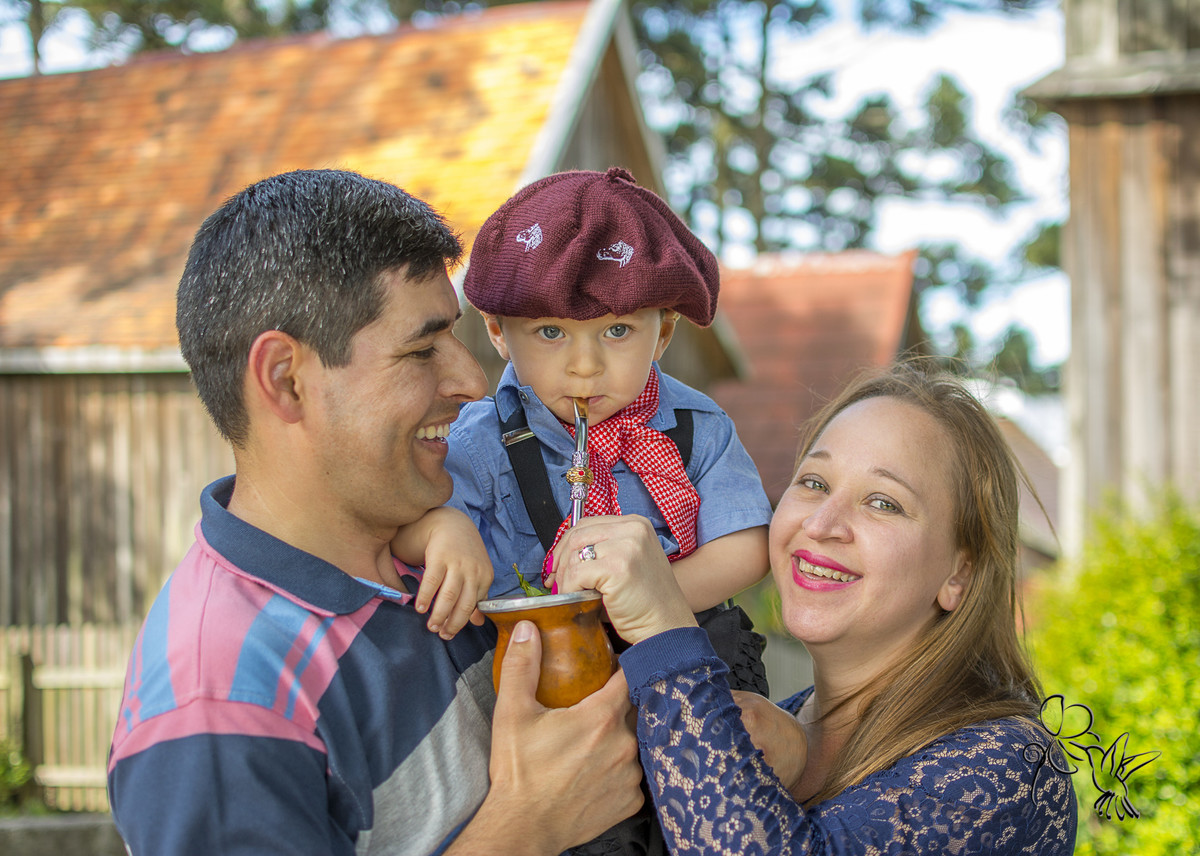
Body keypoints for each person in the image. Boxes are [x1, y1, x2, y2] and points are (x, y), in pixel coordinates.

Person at [106, 169, 644, 855]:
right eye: (422, 350)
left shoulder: (441, 542)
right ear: (286, 379)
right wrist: (524, 831)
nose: (472, 382)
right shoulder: (219, 701)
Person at [549, 361, 1079, 853]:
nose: (821, 523)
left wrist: (663, 629)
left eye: (883, 502)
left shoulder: (1013, 770)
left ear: (959, 574)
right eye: (815, 483)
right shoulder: (778, 719)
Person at [444, 166, 773, 693]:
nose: (584, 366)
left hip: (688, 666)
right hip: (540, 681)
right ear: (497, 333)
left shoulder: (697, 428)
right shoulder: (478, 441)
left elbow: (747, 544)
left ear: (663, 333)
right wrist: (446, 529)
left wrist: (648, 599)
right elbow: (413, 521)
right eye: (550, 332)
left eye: (617, 331)